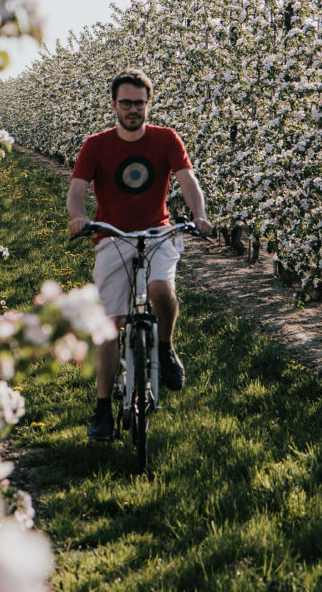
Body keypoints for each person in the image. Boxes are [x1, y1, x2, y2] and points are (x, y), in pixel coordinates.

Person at [67, 68, 213, 440]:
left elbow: (187, 180)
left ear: (149, 104)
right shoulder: (96, 145)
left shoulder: (166, 139)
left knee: (161, 289)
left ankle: (164, 348)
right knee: (108, 326)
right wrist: (78, 216)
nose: (133, 109)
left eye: (140, 102)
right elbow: (77, 188)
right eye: (126, 102)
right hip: (112, 238)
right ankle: (102, 409)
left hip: (158, 233)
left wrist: (199, 215)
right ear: (114, 104)